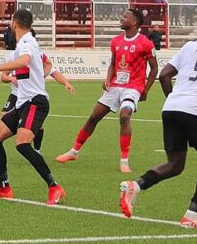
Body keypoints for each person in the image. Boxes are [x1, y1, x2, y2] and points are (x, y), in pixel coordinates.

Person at [119, 12, 197, 229]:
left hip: (171, 107)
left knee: (175, 164)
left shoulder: (189, 46)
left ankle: (136, 185)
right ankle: (192, 213)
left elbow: (164, 75)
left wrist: (175, 100)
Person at [0, 9, 66, 205]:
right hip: (23, 102)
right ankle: (4, 187)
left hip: (35, 101)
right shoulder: (27, 42)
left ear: (14, 23)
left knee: (23, 145)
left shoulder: (26, 42)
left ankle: (54, 187)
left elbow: (24, 61)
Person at [56, 9, 159, 173]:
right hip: (116, 86)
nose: (121, 18)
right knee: (93, 117)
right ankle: (74, 152)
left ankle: (124, 161)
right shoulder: (116, 41)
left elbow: (154, 69)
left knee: (124, 116)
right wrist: (108, 79)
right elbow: (113, 63)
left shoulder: (145, 42)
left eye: (125, 17)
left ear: (134, 22)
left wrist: (145, 90)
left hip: (133, 87)